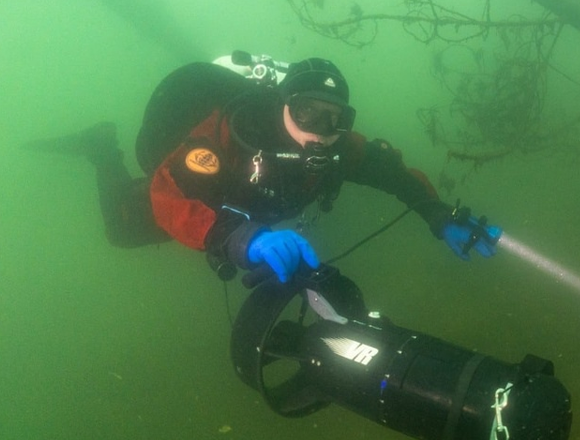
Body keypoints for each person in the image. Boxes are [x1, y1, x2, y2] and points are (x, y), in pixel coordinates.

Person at [26, 51, 499, 284]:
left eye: (335, 118)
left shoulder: (338, 147)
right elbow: (169, 192)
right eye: (307, 112)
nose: (321, 129)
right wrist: (239, 239)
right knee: (121, 228)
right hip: (208, 190)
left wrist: (438, 214)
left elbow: (395, 175)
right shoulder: (235, 131)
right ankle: (100, 147)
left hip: (251, 209)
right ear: (283, 105)